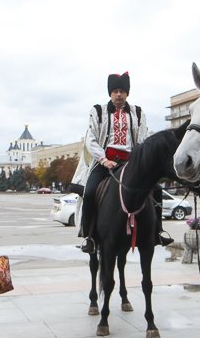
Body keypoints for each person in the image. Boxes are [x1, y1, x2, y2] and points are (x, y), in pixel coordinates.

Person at [74, 72, 172, 253]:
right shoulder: (98, 111)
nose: (119, 94)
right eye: (115, 91)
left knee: (156, 190)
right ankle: (89, 236)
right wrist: (104, 160)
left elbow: (142, 139)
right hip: (104, 163)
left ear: (127, 93)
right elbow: (91, 139)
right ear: (110, 93)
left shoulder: (138, 112)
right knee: (90, 192)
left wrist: (139, 161)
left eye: (122, 91)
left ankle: (157, 232)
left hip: (130, 163)